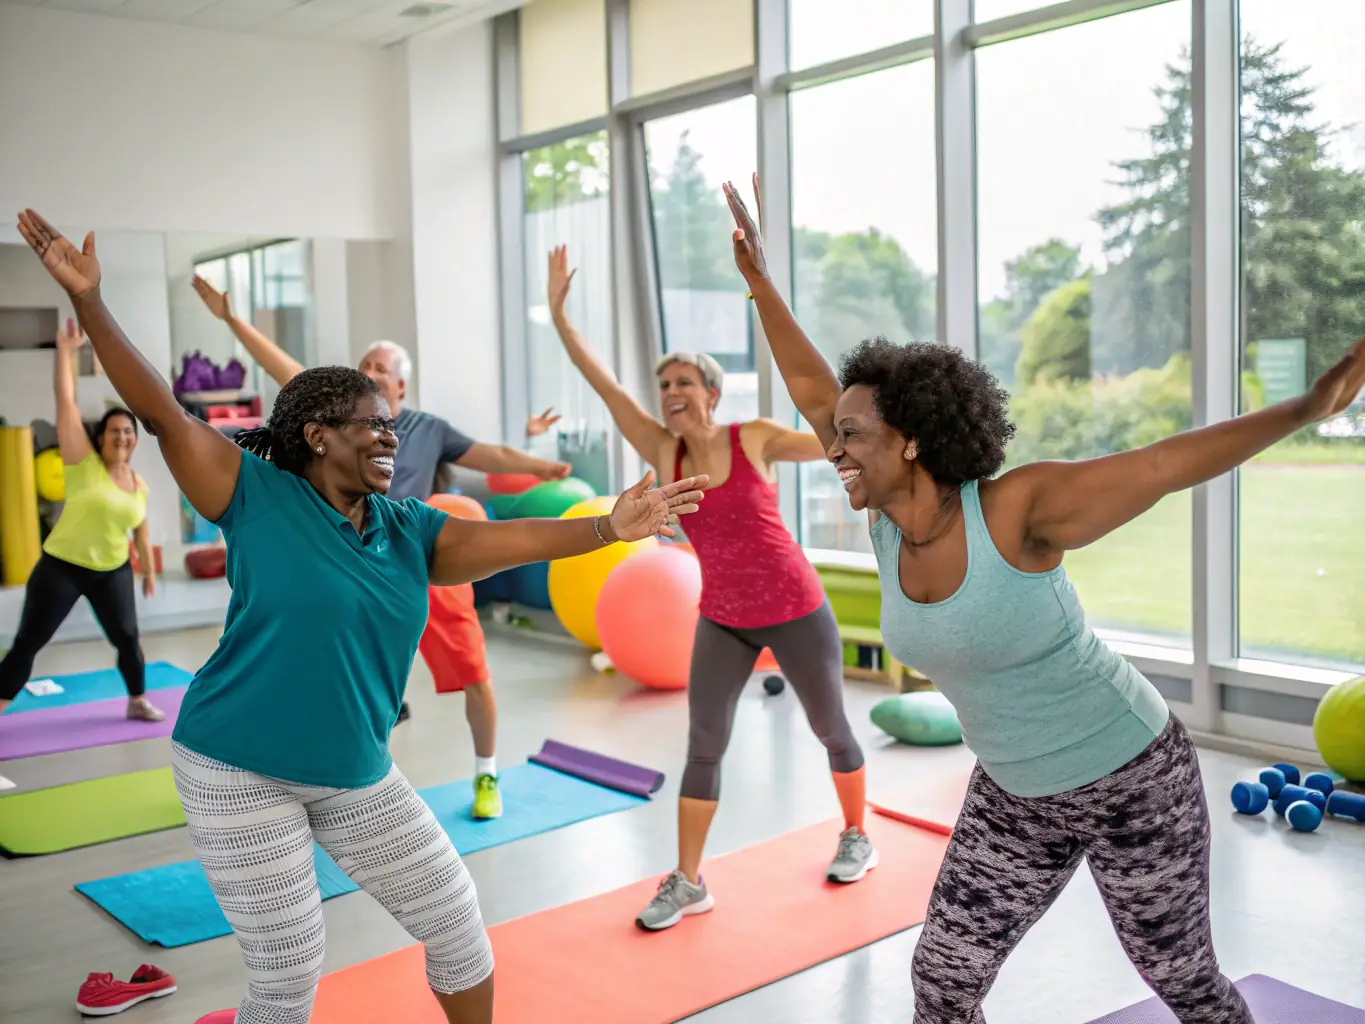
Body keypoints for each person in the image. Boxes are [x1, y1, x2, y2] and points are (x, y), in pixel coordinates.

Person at [17, 207, 706, 1024]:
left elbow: (509, 536)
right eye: (374, 427)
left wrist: (604, 527)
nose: (392, 439)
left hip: (352, 771)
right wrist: (92, 305)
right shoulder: (250, 492)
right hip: (236, 768)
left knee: (457, 924)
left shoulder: (409, 528)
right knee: (288, 970)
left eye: (395, 426)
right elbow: (164, 411)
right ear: (315, 435)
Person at [726, 174, 1365, 1022]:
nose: (830, 447)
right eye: (833, 433)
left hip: (1132, 778)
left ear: (911, 441)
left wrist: (1306, 408)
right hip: (1013, 794)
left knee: (1184, 986)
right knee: (942, 982)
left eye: (850, 435)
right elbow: (814, 387)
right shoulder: (880, 513)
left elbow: (1162, 464)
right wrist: (761, 284)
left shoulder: (1015, 510)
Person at [544, 244, 876, 932]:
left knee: (830, 728)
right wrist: (559, 316)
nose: (670, 394)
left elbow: (826, 435)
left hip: (793, 607)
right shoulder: (659, 450)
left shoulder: (752, 437)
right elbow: (605, 385)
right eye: (664, 385)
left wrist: (872, 425)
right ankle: (689, 880)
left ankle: (855, 834)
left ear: (711, 394)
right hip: (721, 616)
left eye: (683, 383)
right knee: (703, 745)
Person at [190, 278, 570, 820]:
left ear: (402, 387)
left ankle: (487, 772)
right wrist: (232, 319)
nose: (369, 371)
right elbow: (284, 368)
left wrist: (541, 467)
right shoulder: (340, 420)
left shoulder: (428, 428)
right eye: (364, 363)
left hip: (417, 557)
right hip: (352, 562)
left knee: (474, 673)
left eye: (381, 368)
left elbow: (493, 454)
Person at [0, 318, 160, 721]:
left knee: (127, 638)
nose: (122, 436)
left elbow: (139, 529)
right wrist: (66, 353)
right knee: (29, 641)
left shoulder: (139, 484)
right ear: (101, 437)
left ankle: (138, 700)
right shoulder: (82, 464)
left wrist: (149, 571)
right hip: (63, 568)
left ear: (134, 440)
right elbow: (65, 402)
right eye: (114, 431)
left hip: (113, 570)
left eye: (128, 431)